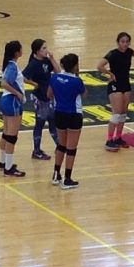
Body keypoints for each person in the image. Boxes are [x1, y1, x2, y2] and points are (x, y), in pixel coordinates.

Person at [48, 53, 87, 190]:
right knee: (71, 148)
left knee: (61, 145)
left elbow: (49, 95)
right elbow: (84, 94)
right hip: (74, 115)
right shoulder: (77, 81)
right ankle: (67, 179)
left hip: (59, 113)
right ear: (76, 66)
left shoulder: (55, 77)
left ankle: (56, 174)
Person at [97, 31, 134, 151]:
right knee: (117, 113)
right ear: (118, 42)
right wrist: (110, 74)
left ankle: (118, 137)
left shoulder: (130, 52)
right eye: (122, 42)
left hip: (126, 84)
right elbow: (100, 66)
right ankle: (109, 140)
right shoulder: (112, 54)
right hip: (115, 84)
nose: (125, 44)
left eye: (127, 42)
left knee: (124, 113)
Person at [22, 38, 61, 160]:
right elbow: (23, 77)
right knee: (40, 123)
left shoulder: (46, 60)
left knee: (53, 121)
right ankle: (37, 151)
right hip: (40, 97)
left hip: (48, 96)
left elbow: (58, 71)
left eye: (46, 47)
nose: (46, 50)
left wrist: (52, 58)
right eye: (44, 48)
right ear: (37, 51)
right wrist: (34, 84)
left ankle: (59, 146)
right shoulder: (34, 64)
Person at [0, 40, 27, 177]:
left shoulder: (9, 65)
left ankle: (3, 162)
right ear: (17, 52)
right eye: (21, 49)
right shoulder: (12, 67)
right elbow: (4, 83)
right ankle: (8, 168)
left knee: (6, 132)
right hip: (12, 101)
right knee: (12, 136)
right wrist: (18, 94)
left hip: (5, 100)